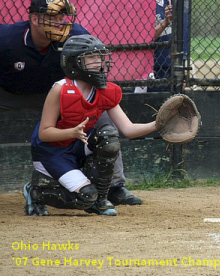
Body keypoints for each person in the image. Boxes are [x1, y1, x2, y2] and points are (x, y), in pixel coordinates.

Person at [0, 0, 142, 206]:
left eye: (61, 17)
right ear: (35, 19)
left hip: (57, 94)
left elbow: (94, 69)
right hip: (9, 93)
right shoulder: (8, 39)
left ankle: (113, 186)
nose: (59, 22)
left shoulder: (74, 35)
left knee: (101, 114)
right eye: (52, 17)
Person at [23, 35, 157, 216]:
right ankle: (36, 191)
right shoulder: (61, 89)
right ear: (74, 63)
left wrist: (158, 124)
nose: (99, 62)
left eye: (100, 56)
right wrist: (72, 132)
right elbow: (44, 133)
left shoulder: (105, 90)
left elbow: (128, 129)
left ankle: (101, 198)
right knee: (85, 197)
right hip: (52, 152)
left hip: (77, 144)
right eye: (91, 57)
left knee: (108, 136)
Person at [151, 0, 173, 91]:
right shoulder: (143, 1)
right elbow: (147, 37)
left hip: (167, 60)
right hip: (152, 64)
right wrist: (165, 23)